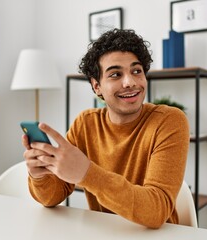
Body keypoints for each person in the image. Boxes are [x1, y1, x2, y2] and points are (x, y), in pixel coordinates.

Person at [22, 29, 190, 229]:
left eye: (136, 71)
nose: (130, 82)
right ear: (96, 86)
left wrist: (87, 174)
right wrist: (39, 176)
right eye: (116, 74)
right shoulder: (85, 124)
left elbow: (156, 210)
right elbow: (51, 198)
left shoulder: (169, 121)